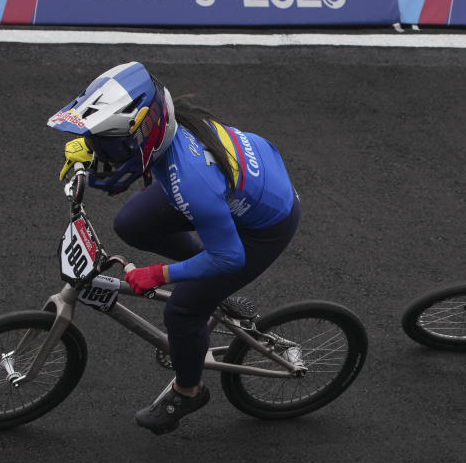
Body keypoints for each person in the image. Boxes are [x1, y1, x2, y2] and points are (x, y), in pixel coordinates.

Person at [48, 61, 300, 434]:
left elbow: (230, 256)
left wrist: (159, 274)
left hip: (263, 227)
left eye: (109, 144)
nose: (102, 151)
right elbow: (130, 162)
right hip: (226, 193)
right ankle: (210, 286)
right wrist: (90, 150)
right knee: (130, 224)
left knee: (182, 311)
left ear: (143, 136)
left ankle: (188, 390)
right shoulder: (166, 130)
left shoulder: (191, 180)